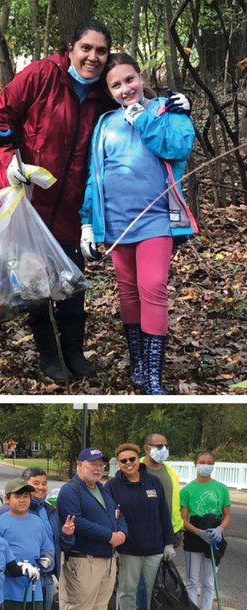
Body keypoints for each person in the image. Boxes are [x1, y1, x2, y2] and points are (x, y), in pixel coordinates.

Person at [0, 21, 117, 383]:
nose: (93, 57)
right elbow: (0, 115)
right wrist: (8, 160)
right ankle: (49, 356)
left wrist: (174, 107)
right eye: (86, 48)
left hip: (76, 205)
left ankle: (74, 351)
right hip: (31, 200)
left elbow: (140, 102)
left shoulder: (107, 90)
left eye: (101, 51)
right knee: (35, 281)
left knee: (72, 281)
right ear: (71, 47)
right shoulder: (43, 75)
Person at [80, 53, 196, 394]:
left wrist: (142, 118)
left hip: (156, 219)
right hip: (116, 224)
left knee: (153, 287)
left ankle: (155, 376)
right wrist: (87, 222)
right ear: (109, 90)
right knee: (128, 292)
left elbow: (177, 147)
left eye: (129, 80)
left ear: (140, 76)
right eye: (116, 85)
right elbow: (94, 175)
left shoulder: (167, 109)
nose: (125, 89)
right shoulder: (104, 123)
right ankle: (140, 363)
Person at [106, 443, 173, 610]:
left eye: (132, 459)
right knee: (127, 590)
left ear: (138, 460)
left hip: (154, 548)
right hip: (128, 550)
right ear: (119, 464)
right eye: (123, 461)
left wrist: (169, 542)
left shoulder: (153, 482)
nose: (128, 464)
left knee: (155, 591)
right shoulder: (111, 487)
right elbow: (110, 518)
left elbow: (164, 513)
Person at [55, 448, 127, 610]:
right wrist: (109, 535)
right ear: (80, 465)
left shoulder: (102, 489)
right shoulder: (71, 490)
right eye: (93, 464)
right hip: (84, 561)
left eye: (101, 465)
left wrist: (122, 534)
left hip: (108, 560)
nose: (98, 469)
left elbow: (118, 515)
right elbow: (76, 521)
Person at [16, 467, 76, 610]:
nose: (41, 487)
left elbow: (62, 545)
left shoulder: (50, 511)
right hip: (26, 577)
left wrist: (66, 535)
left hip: (48, 577)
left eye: (44, 483)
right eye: (36, 483)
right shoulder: (18, 511)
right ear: (25, 485)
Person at [179, 451, 232, 610]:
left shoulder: (222, 488)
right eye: (202, 462)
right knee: (192, 581)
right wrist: (199, 532)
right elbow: (183, 520)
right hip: (195, 536)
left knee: (209, 582)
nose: (206, 465)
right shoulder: (187, 491)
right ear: (195, 464)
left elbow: (227, 515)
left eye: (210, 462)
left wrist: (220, 530)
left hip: (214, 535)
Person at [0, 479, 52, 610]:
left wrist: (45, 562)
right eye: (18, 496)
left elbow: (47, 549)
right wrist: (15, 567)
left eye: (26, 496)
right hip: (9, 591)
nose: (23, 500)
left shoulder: (37, 522)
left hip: (34, 590)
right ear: (7, 499)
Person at [138, 433, 183, 610]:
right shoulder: (135, 468)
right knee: (140, 583)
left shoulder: (170, 472)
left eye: (165, 445)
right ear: (146, 448)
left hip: (166, 534)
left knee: (163, 581)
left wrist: (176, 531)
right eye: (159, 446)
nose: (163, 449)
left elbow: (174, 505)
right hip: (141, 535)